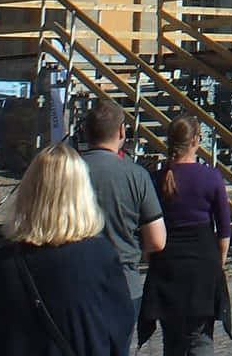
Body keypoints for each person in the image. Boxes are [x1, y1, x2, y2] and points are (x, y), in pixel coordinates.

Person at [0, 142, 134, 356]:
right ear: (82, 194)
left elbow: (0, 332)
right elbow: (120, 327)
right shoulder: (100, 256)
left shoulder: (2, 263)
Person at [139, 114, 232, 354]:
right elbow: (224, 229)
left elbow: (147, 225)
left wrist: (151, 260)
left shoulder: (157, 179)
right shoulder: (211, 177)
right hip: (202, 263)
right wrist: (218, 264)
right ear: (195, 142)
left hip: (168, 264)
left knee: (172, 340)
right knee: (200, 338)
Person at [83, 97, 167, 321]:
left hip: (77, 280)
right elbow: (157, 240)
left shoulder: (67, 171)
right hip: (123, 280)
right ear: (122, 132)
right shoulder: (136, 175)